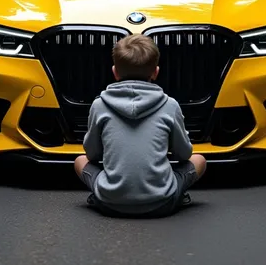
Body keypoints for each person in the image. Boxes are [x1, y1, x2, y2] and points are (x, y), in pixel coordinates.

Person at [74, 34, 207, 217]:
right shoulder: (170, 105)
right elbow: (184, 154)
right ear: (155, 72)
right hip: (162, 203)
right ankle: (175, 196)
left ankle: (100, 196)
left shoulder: (99, 105)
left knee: (79, 161)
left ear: (115, 72)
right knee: (199, 160)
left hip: (109, 203)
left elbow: (92, 154)